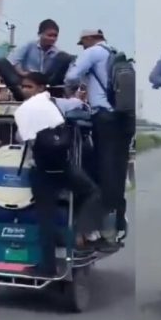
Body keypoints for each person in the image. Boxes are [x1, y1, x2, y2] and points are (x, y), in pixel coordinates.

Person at [15, 72, 116, 276]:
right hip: (61, 166)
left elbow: (20, 138)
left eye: (29, 87)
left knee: (47, 218)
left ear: (42, 88)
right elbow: (82, 107)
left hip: (44, 170)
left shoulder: (25, 111)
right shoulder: (60, 104)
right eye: (23, 87)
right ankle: (84, 233)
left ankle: (49, 265)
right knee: (90, 193)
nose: (25, 90)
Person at [65, 29, 134, 240]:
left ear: (89, 39)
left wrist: (71, 90)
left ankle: (94, 225)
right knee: (116, 171)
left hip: (104, 117)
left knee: (102, 171)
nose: (83, 46)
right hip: (123, 118)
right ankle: (114, 221)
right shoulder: (116, 54)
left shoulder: (93, 52)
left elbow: (71, 76)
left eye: (83, 42)